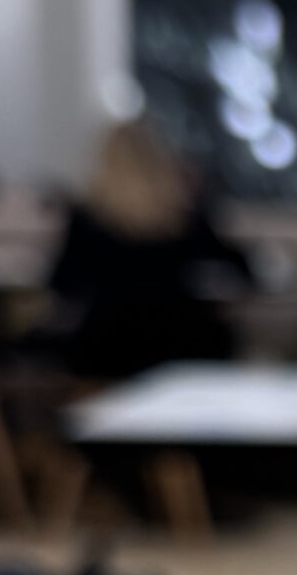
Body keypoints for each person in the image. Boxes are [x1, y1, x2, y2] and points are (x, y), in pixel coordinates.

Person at [47, 121, 254, 384]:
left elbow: (61, 282)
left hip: (108, 344)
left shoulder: (87, 219)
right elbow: (244, 269)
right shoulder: (184, 218)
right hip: (184, 340)